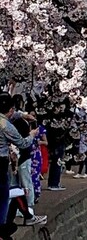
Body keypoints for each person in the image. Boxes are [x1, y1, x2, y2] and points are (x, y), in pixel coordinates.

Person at [0, 94, 43, 226]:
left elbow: (13, 114)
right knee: (4, 194)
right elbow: (23, 143)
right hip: (1, 161)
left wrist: (22, 115)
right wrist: (31, 135)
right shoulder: (6, 126)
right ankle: (2, 225)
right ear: (11, 109)